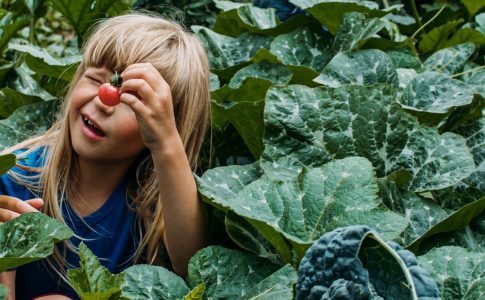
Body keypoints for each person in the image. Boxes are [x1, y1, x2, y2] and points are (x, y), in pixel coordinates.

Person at [0, 11, 210, 300]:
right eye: (97, 78)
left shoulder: (157, 215)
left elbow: (193, 267)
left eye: (130, 99)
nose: (104, 100)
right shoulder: (11, 180)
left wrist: (166, 144)